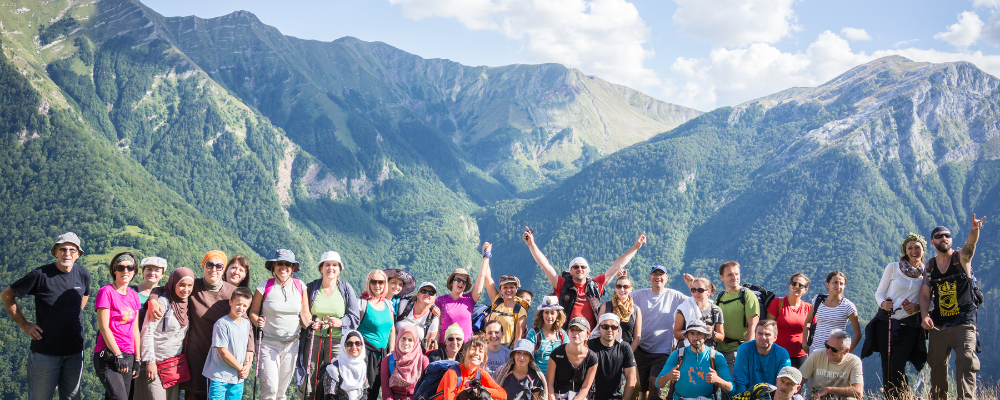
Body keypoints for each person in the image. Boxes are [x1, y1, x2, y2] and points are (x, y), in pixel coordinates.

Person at [145, 250, 253, 399]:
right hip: (196, 356)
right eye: (210, 264)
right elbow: (166, 288)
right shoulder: (192, 286)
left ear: (223, 269)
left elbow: (245, 322)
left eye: (218, 266)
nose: (213, 269)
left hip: (223, 359)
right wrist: (153, 299)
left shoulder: (232, 292)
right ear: (203, 266)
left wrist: (250, 350)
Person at [1, 232, 91, 400]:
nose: (67, 254)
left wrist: (75, 312)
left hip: (74, 352)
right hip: (45, 353)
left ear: (78, 254)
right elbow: (7, 295)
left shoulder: (83, 274)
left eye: (72, 250)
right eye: (63, 249)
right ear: (55, 251)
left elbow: (85, 294)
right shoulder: (40, 275)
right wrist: (24, 325)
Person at [523, 228, 645, 329]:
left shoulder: (596, 285)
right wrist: (531, 244)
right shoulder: (562, 285)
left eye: (583, 267)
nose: (579, 269)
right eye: (575, 267)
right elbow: (545, 265)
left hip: (591, 339)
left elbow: (617, 266)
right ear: (570, 271)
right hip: (567, 337)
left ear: (587, 271)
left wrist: (635, 247)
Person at [921, 216, 986, 400]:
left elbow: (970, 246)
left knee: (966, 365)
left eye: (947, 235)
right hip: (939, 325)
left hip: (964, 322)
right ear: (933, 241)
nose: (944, 238)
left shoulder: (961, 259)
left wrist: (975, 230)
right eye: (939, 236)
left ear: (951, 239)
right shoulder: (930, 266)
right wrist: (925, 316)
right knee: (937, 369)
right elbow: (925, 294)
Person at [861, 233, 927, 399]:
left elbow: (931, 301)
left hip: (909, 325)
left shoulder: (927, 273)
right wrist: (883, 304)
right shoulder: (893, 267)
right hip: (886, 322)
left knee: (897, 364)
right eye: (910, 248)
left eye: (917, 247)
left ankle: (902, 396)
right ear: (905, 250)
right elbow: (880, 293)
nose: (913, 251)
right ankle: (893, 397)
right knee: (887, 365)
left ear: (923, 250)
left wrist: (918, 307)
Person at [248, 249, 314, 400]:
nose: (283, 267)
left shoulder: (300, 286)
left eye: (287, 264)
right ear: (273, 266)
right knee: (269, 389)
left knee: (281, 391)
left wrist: (311, 323)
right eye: (279, 263)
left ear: (292, 268)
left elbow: (304, 314)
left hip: (292, 345)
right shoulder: (264, 286)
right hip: (268, 344)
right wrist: (256, 320)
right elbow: (253, 311)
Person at [296, 251, 361, 399]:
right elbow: (303, 313)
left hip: (337, 340)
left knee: (334, 376)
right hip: (313, 338)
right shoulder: (311, 288)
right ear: (321, 268)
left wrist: (340, 322)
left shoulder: (346, 289)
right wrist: (312, 323)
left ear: (339, 269)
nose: (330, 268)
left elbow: (354, 317)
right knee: (309, 374)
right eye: (327, 265)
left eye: (334, 265)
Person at [631, 265, 693, 400]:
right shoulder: (639, 294)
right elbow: (621, 300)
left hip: (662, 350)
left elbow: (694, 302)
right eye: (655, 274)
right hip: (641, 348)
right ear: (650, 278)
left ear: (666, 278)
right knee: (643, 389)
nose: (657, 277)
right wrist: (622, 281)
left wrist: (691, 286)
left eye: (661, 274)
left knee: (654, 383)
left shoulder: (674, 295)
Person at [135, 267, 195, 400]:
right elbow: (147, 331)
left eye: (190, 285)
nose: (186, 289)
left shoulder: (186, 305)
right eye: (182, 285)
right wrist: (150, 362)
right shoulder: (163, 302)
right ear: (173, 284)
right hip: (155, 364)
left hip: (173, 366)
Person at [93, 252, 142, 400]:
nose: (125, 271)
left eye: (129, 267)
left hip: (128, 356)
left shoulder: (133, 296)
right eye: (120, 267)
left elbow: (135, 330)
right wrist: (117, 355)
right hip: (108, 355)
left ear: (134, 271)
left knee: (120, 397)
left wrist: (138, 359)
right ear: (114, 270)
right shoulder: (106, 292)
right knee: (119, 397)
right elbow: (104, 327)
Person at [654, 320, 733, 400]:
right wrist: (668, 376)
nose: (695, 337)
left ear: (706, 336)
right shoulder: (677, 355)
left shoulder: (717, 357)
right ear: (687, 336)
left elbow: (731, 387)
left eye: (699, 333)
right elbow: (658, 383)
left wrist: (718, 380)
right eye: (692, 333)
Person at [202, 287, 255, 400]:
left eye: (245, 306)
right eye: (238, 304)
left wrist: (247, 367)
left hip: (237, 378)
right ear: (230, 302)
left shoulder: (246, 324)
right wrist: (241, 368)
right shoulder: (222, 324)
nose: (241, 308)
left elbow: (246, 348)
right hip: (219, 376)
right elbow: (223, 352)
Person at [435, 243, 488, 343]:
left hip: (466, 347)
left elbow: (481, 277)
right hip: (446, 347)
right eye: (458, 280)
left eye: (464, 281)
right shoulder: (440, 301)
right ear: (451, 282)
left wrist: (486, 256)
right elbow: (436, 327)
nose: (461, 283)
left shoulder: (469, 300)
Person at [716, 261, 760, 375]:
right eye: (730, 274)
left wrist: (744, 353)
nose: (734, 277)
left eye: (737, 274)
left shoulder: (747, 295)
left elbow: (753, 325)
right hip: (718, 350)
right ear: (722, 277)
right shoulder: (720, 297)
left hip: (737, 351)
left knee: (733, 386)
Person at [802, 271, 861, 355]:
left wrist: (845, 354)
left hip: (835, 354)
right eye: (835, 282)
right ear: (827, 284)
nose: (838, 286)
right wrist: (805, 343)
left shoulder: (848, 306)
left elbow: (858, 334)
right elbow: (808, 321)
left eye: (841, 284)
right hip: (814, 352)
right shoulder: (818, 300)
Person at [359, 269, 397, 400]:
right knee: (364, 392)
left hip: (383, 356)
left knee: (378, 390)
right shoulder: (362, 304)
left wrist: (391, 350)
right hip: (365, 355)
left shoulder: (388, 304)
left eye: (381, 282)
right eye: (373, 282)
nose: (377, 285)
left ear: (385, 284)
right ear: (368, 284)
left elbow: (392, 329)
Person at [766, 272, 813, 368]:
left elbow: (813, 331)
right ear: (789, 285)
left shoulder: (809, 308)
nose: (796, 286)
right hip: (777, 353)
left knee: (797, 382)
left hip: (800, 355)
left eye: (800, 285)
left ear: (805, 290)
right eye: (794, 283)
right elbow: (767, 327)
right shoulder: (777, 303)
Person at [437, 336, 507, 400]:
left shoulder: (481, 373)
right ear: (464, 353)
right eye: (473, 348)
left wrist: (481, 389)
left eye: (480, 351)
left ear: (483, 358)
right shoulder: (452, 373)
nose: (476, 353)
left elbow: (503, 394)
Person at [800, 329, 863, 400]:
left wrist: (828, 390)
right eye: (827, 346)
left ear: (846, 351)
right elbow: (797, 381)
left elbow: (858, 392)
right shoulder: (816, 355)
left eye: (834, 349)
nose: (829, 351)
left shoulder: (854, 361)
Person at [732, 320, 790, 394]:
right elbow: (741, 383)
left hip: (773, 396)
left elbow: (782, 383)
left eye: (767, 334)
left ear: (775, 337)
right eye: (760, 333)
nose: (763, 337)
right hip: (749, 396)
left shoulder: (782, 354)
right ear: (755, 335)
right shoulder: (744, 349)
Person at [587, 314, 636, 400]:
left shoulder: (624, 347)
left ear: (618, 330)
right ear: (599, 328)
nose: (609, 330)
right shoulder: (589, 346)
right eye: (605, 326)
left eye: (614, 327)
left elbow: (632, 378)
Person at [546, 317, 598, 400]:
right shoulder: (556, 354)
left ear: (587, 335)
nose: (575, 333)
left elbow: (585, 388)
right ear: (568, 333)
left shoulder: (592, 358)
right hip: (558, 396)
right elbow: (549, 384)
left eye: (580, 330)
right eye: (572, 329)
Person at [673, 276, 724, 348]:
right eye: (693, 290)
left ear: (708, 292)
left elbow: (721, 337)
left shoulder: (716, 311)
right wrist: (692, 332)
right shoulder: (683, 309)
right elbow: (676, 334)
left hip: (708, 354)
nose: (696, 293)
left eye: (700, 290)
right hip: (686, 353)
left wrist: (712, 333)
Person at [483, 267, 528, 347]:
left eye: (511, 287)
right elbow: (487, 277)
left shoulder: (520, 311)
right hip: (489, 349)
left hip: (506, 352)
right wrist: (486, 256)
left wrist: (513, 357)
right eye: (505, 287)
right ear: (500, 290)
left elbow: (518, 339)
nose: (508, 290)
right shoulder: (497, 302)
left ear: (516, 289)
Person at [380, 325, 428, 400]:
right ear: (398, 339)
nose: (406, 343)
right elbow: (386, 393)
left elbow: (426, 389)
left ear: (415, 342)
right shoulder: (387, 361)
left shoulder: (422, 361)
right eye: (403, 338)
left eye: (410, 340)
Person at [598, 273, 642, 352]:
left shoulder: (636, 310)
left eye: (626, 287)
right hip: (605, 351)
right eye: (619, 286)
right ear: (615, 288)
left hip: (626, 351)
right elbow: (598, 330)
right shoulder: (606, 306)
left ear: (631, 289)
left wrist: (627, 355)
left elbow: (637, 338)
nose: (622, 289)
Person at [525, 296, 567, 377]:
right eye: (546, 312)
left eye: (552, 313)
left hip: (558, 379)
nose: (549, 316)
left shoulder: (562, 334)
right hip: (537, 379)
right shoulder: (534, 334)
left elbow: (569, 354)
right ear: (542, 313)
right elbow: (526, 357)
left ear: (557, 314)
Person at [321, 331, 369, 400]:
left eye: (357, 343)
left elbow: (364, 392)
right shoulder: (333, 369)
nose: (354, 347)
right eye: (349, 344)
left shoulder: (362, 366)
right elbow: (330, 397)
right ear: (344, 346)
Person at [394, 282, 439, 351]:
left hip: (414, 356)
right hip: (393, 350)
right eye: (424, 291)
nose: (427, 294)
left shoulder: (433, 317)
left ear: (434, 298)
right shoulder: (404, 304)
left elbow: (429, 342)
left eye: (431, 293)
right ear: (417, 294)